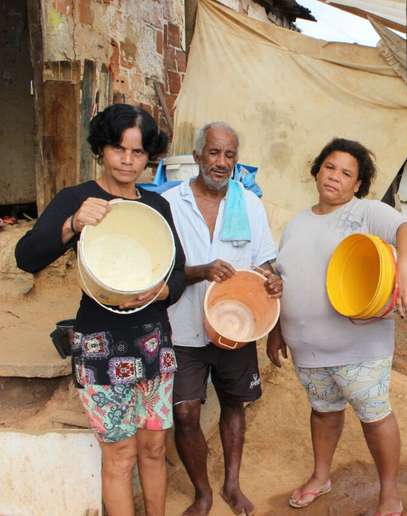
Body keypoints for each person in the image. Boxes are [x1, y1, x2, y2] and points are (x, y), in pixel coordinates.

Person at [15, 104, 186, 515]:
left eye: (139, 152)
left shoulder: (156, 207)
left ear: (149, 157)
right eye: (118, 148)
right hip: (100, 346)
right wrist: (73, 223)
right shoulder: (76, 198)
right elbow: (27, 256)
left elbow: (177, 272)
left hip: (152, 343)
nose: (128, 160)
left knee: (154, 447)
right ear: (102, 149)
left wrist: (161, 292)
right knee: (121, 454)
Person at [268, 138, 407, 516]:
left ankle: (390, 494)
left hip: (359, 346)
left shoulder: (366, 212)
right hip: (308, 348)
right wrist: (276, 329)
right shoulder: (295, 224)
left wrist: (405, 269)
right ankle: (321, 476)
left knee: (374, 415)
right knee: (323, 410)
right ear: (317, 170)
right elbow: (283, 277)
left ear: (358, 184)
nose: (335, 177)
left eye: (346, 173)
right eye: (329, 167)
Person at [163, 122, 281, 516]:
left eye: (229, 155)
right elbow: (164, 271)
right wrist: (200, 271)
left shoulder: (247, 203)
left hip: (236, 323)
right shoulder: (171, 203)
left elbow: (263, 262)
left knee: (234, 403)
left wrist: (272, 278)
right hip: (183, 326)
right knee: (184, 412)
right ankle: (203, 493)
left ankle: (232, 484)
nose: (221, 162)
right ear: (197, 156)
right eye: (214, 153)